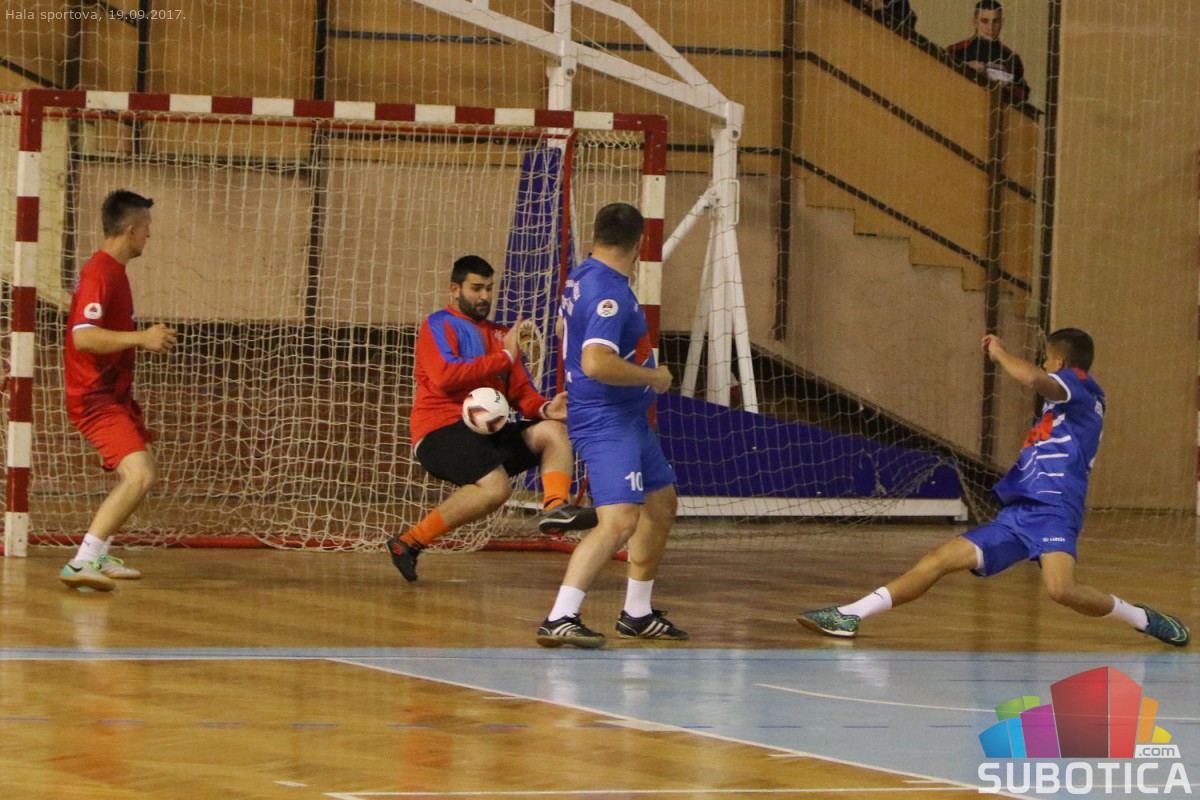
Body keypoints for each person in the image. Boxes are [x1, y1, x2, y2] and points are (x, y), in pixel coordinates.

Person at [798, 329, 1190, 647]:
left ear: (1059, 363)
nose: (1043, 364)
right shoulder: (1066, 407)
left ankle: (1142, 618)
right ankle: (850, 614)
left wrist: (999, 352)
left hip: (1055, 509)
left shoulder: (1080, 385)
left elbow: (1034, 379)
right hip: (1020, 511)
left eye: (1046, 357)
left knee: (1061, 590)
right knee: (938, 560)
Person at [387, 255, 597, 582]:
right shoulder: (439, 324)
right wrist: (505, 356)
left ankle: (556, 508)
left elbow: (521, 392)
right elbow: (445, 375)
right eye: (476, 288)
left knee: (552, 431)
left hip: (485, 433)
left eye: (489, 288)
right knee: (497, 488)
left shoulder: (501, 335)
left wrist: (545, 408)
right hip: (440, 431)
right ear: (454, 289)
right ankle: (411, 541)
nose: (484, 296)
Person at [536, 202, 688, 649]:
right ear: (641, 242)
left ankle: (637, 613)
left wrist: (576, 386)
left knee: (661, 506)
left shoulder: (582, 275)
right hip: (608, 421)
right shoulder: (611, 293)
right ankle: (560, 616)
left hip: (625, 416)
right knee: (619, 521)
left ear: (596, 236)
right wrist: (653, 378)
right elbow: (596, 361)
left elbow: (568, 336)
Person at [60, 189, 178, 591]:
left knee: (145, 469)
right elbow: (83, 338)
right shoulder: (100, 272)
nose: (149, 236)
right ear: (130, 230)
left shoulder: (114, 272)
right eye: (146, 228)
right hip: (94, 397)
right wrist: (141, 338)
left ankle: (100, 554)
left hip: (113, 395)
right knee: (139, 475)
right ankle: (82, 562)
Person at [947, 0, 1030, 102]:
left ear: (1002, 23)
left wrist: (1007, 87)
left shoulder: (1012, 58)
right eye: (984, 21)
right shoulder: (956, 51)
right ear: (974, 22)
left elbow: (1023, 95)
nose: (990, 27)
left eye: (995, 21)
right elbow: (943, 82)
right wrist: (966, 70)